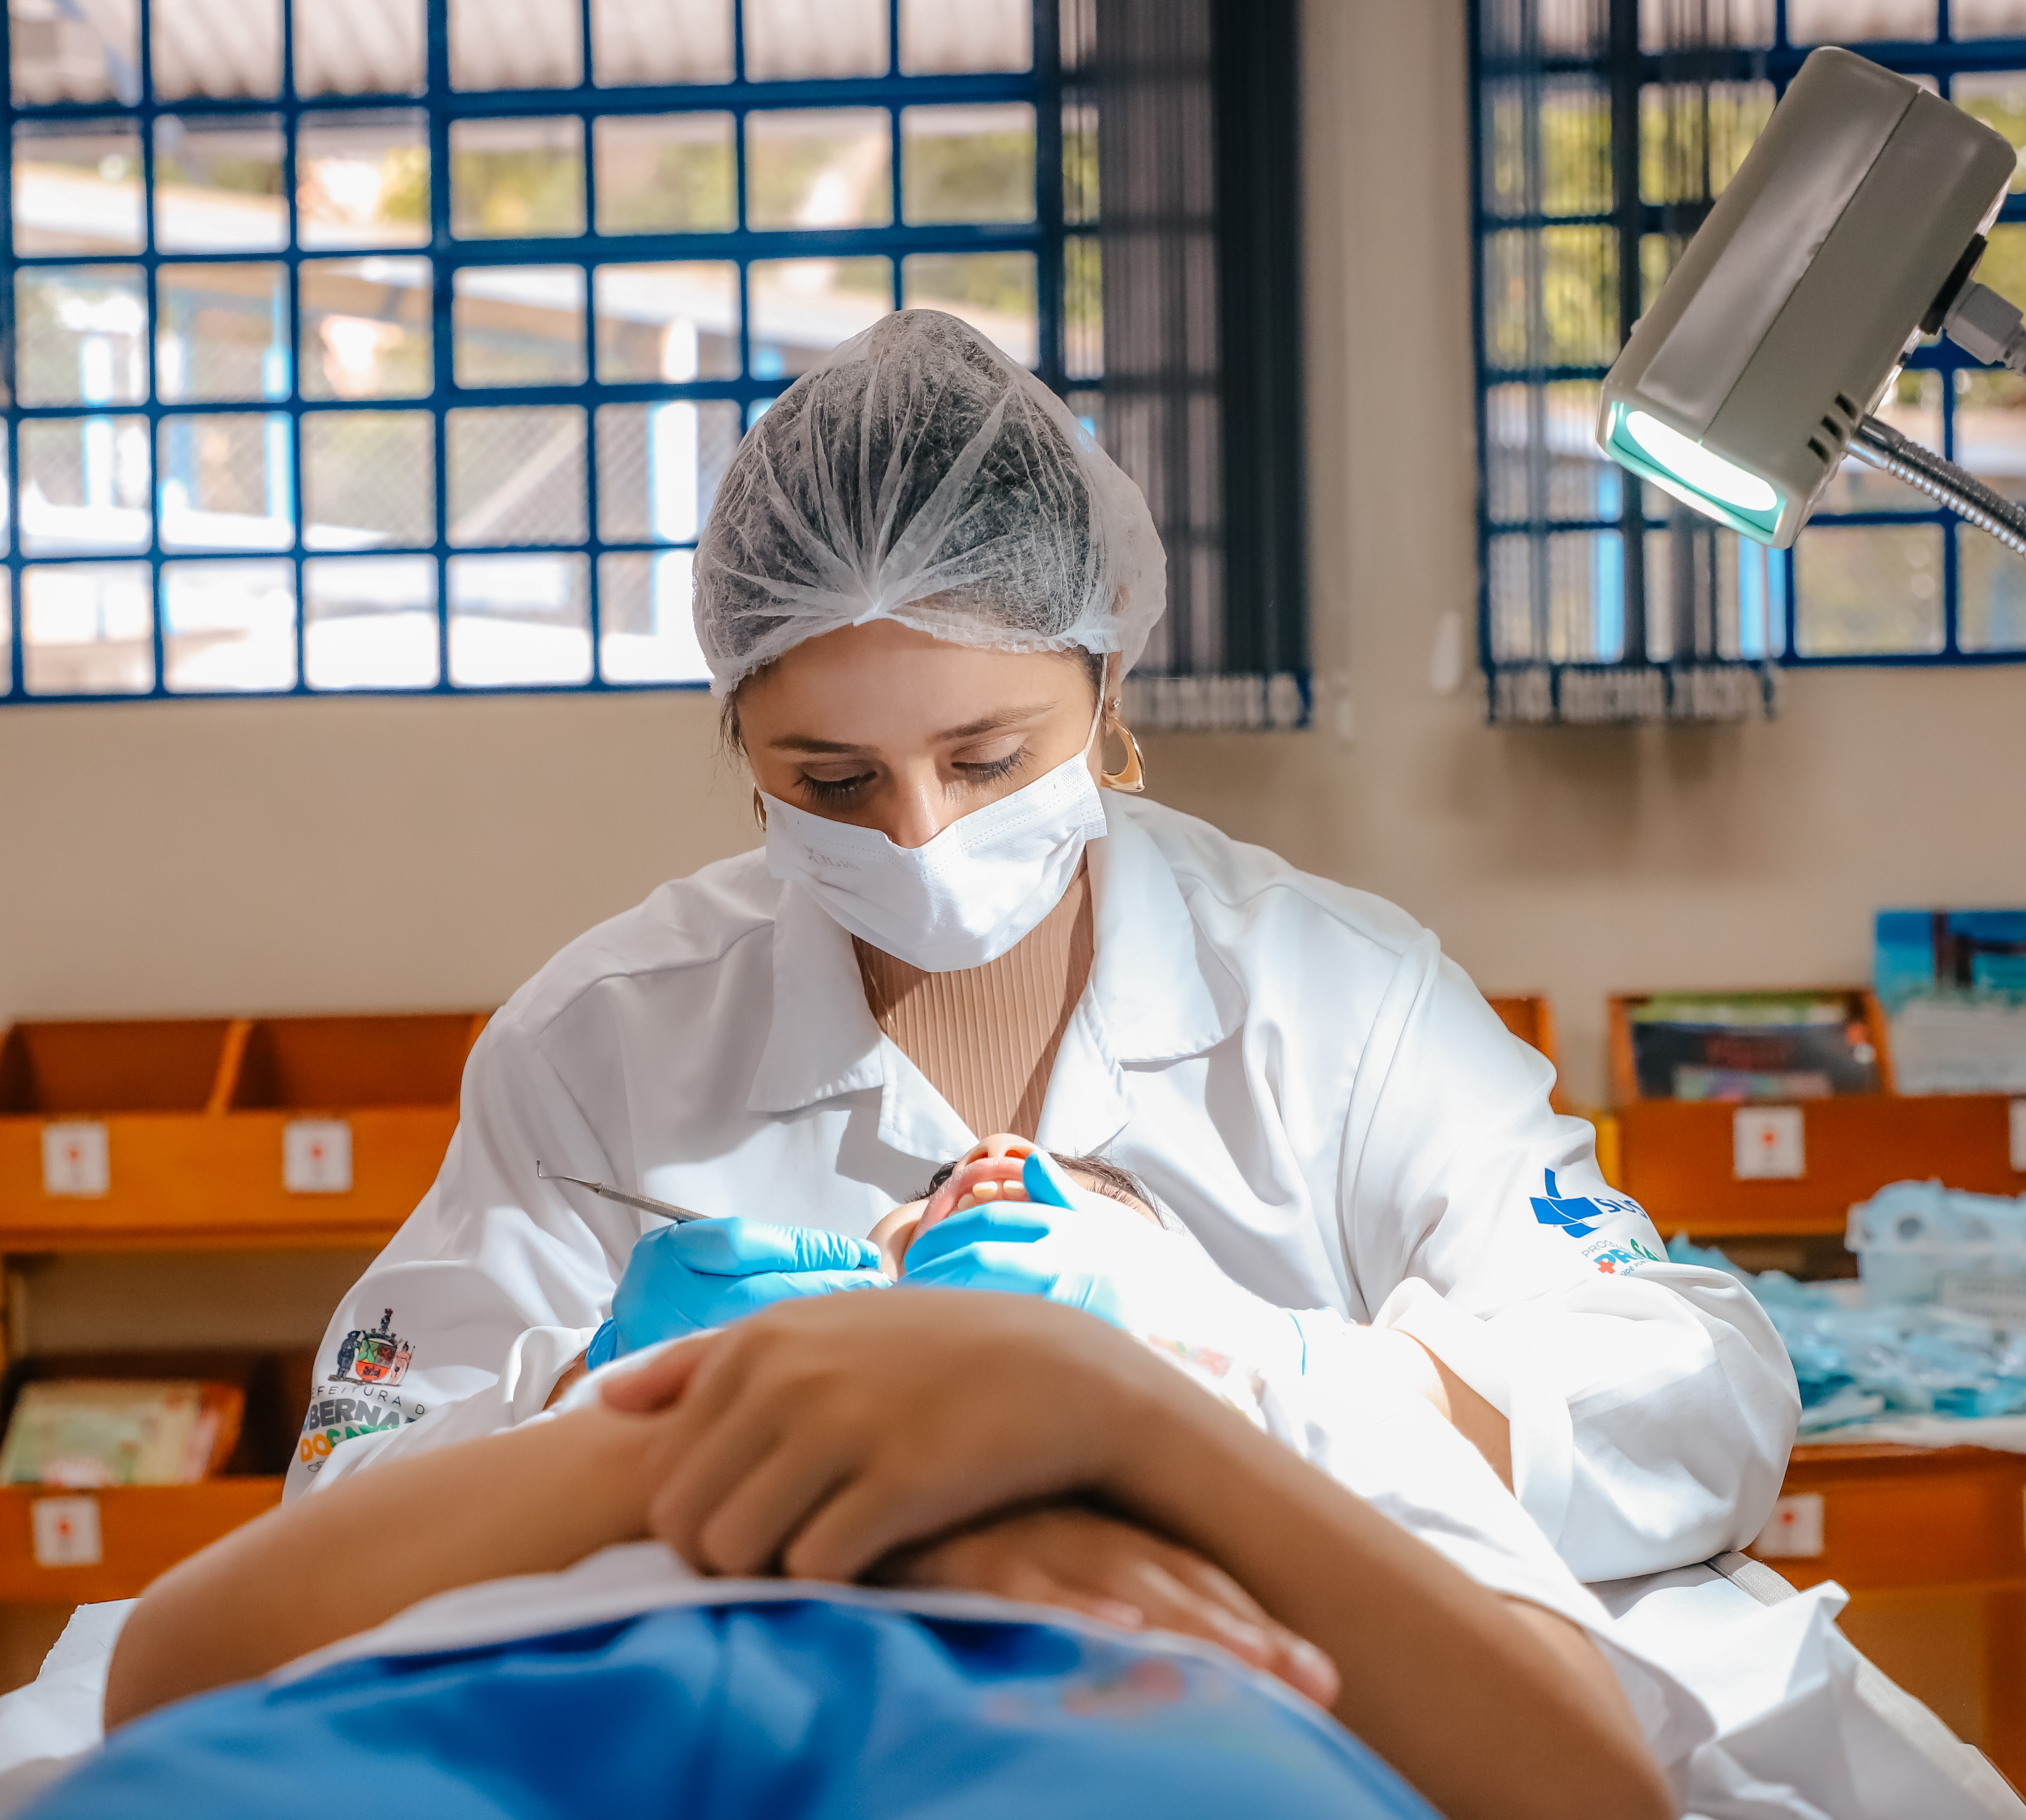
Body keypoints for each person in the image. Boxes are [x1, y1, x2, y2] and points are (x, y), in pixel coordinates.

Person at [291, 307, 1796, 1585]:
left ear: (1108, 683)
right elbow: (343, 1498)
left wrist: (1249, 1371)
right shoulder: (601, 1046)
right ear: (741, 745)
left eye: (990, 760)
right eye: (834, 782)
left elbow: (1698, 1400)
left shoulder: (1340, 1002)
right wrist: (599, 1396)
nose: (921, 835)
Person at [88, 1293, 1679, 1820]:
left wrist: (1105, 1402)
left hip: (1116, 1716)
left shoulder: (1280, 1380)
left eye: (1051, 1192)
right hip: (478, 1697)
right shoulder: (671, 1371)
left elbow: (1597, 1797)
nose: (986, 1170)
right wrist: (713, 1444)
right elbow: (171, 1671)